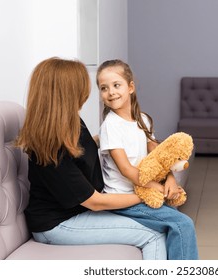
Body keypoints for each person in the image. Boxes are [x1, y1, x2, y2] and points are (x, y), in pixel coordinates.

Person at [15, 57, 167, 260]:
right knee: (154, 235)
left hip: (78, 212)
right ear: (68, 92)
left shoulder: (69, 122)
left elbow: (83, 148)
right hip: (58, 224)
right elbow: (95, 202)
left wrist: (118, 140)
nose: (87, 91)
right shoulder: (51, 148)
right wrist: (149, 194)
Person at [97, 59, 199, 260]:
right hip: (125, 199)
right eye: (104, 88)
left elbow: (159, 157)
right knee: (182, 224)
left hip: (146, 191)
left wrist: (170, 179)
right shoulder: (111, 126)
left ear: (131, 87)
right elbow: (126, 169)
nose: (111, 92)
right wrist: (158, 188)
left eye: (117, 85)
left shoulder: (142, 120)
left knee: (176, 219)